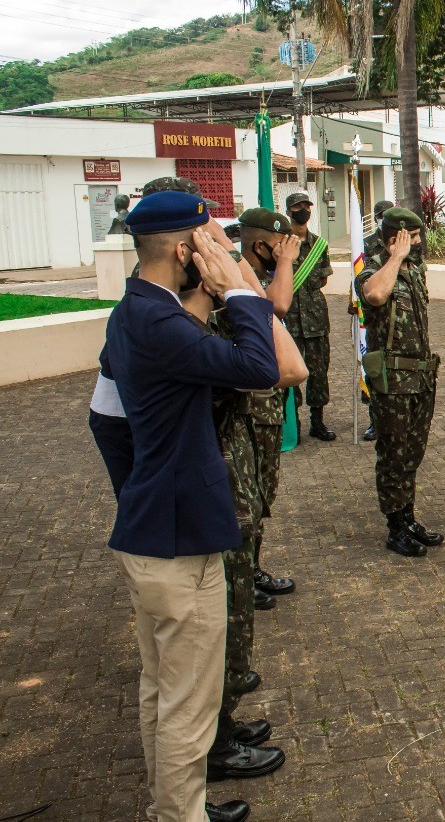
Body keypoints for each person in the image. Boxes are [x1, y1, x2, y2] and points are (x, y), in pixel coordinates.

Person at [103, 190, 278, 822]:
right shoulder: (165, 324)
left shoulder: (129, 313)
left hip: (150, 528)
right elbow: (259, 366)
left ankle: (171, 808)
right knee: (188, 704)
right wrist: (236, 288)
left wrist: (145, 484)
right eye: (207, 243)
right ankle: (181, 816)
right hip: (179, 544)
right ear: (185, 252)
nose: (218, 252)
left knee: (160, 690)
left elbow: (106, 420)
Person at [179, 279, 302, 784]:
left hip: (231, 486)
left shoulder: (200, 323)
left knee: (232, 619)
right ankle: (212, 744)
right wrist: (236, 283)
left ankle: (222, 724)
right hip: (215, 495)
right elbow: (291, 367)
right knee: (218, 625)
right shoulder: (182, 333)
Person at [355, 207, 445, 557]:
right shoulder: (374, 270)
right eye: (415, 238)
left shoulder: (415, 271)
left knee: (412, 453)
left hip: (421, 378)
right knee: (393, 454)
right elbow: (376, 297)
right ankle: (396, 528)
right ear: (397, 238)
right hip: (392, 380)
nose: (421, 244)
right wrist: (395, 258)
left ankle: (408, 518)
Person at [238, 208, 302, 605]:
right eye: (279, 245)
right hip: (249, 407)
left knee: (263, 495)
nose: (285, 251)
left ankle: (252, 569)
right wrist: (286, 263)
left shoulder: (260, 273)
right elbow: (277, 307)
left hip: (269, 404)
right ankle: (241, 579)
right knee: (248, 499)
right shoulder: (237, 277)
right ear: (260, 245)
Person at [281, 191, 336, 441]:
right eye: (298, 207)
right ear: (289, 212)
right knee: (290, 372)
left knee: (318, 371)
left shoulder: (319, 245)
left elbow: (323, 277)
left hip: (315, 317)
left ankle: (317, 422)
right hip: (289, 319)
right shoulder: (281, 244)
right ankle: (294, 423)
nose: (303, 210)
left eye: (306, 206)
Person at [360, 199, 395, 443]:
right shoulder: (366, 245)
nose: (384, 218)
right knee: (373, 366)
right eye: (381, 215)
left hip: (395, 311)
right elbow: (360, 276)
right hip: (373, 309)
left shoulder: (405, 243)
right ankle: (374, 419)